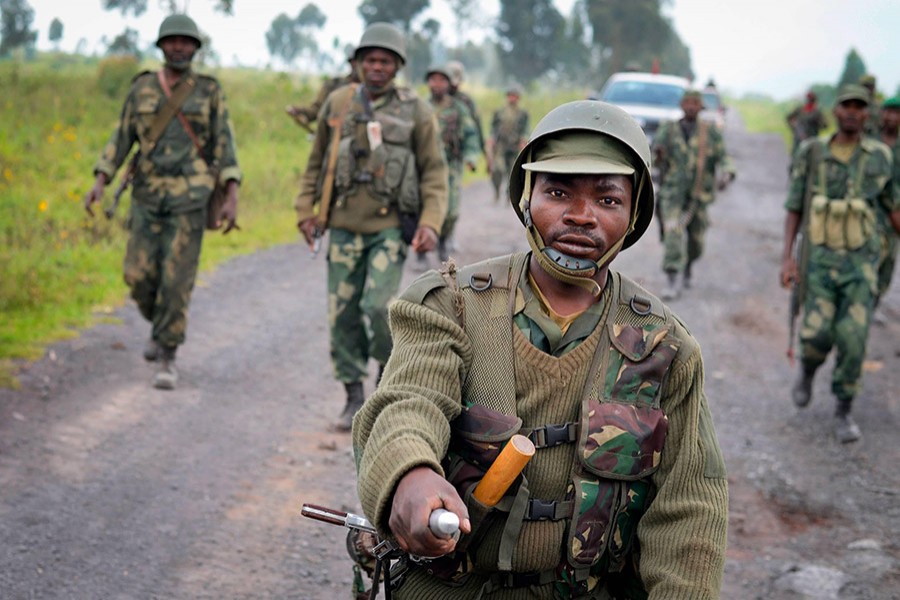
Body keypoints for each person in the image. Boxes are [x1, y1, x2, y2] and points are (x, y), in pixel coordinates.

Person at [352, 100, 729, 599]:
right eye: (557, 192)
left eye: (608, 199)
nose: (581, 217)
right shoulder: (451, 305)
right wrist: (411, 472)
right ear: (526, 198)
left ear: (634, 213)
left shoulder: (666, 346)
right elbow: (409, 402)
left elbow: (689, 511)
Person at [294, 22, 448, 431]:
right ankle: (352, 395)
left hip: (388, 227)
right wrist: (305, 209)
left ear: (397, 66)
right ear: (359, 63)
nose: (377, 67)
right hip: (343, 225)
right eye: (370, 60)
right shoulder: (338, 102)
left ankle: (383, 380)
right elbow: (316, 161)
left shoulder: (416, 111)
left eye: (386, 61)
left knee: (380, 307)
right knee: (341, 313)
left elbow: (434, 172)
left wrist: (430, 223)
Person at [83, 14, 241, 390]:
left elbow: (225, 143)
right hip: (147, 195)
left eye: (186, 42)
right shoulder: (142, 88)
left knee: (177, 279)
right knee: (137, 275)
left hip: (191, 197)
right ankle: (160, 324)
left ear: (196, 48)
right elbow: (122, 136)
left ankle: (168, 353)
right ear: (161, 46)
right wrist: (101, 179)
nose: (179, 47)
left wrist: (231, 194)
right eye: (173, 41)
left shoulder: (209, 90)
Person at [780, 84, 899, 443]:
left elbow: (892, 206)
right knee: (817, 335)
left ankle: (844, 408)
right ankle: (808, 369)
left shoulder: (880, 157)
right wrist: (788, 258)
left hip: (861, 266)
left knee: (853, 339)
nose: (852, 112)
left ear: (867, 114)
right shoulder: (813, 152)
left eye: (859, 106)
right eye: (846, 105)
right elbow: (795, 206)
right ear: (836, 111)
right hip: (819, 263)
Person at [653, 89, 734, 300]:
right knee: (673, 233)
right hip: (672, 193)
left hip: (699, 196)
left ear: (701, 106)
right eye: (687, 102)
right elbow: (654, 158)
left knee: (696, 242)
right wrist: (658, 156)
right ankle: (672, 278)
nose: (690, 106)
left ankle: (688, 265)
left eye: (694, 103)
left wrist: (726, 174)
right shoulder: (669, 129)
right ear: (681, 105)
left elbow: (723, 157)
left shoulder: (710, 131)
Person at [419, 64, 479, 264]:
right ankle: (421, 249)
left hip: (450, 167)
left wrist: (471, 157)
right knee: (422, 206)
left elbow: (470, 134)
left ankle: (443, 241)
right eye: (433, 79)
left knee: (451, 210)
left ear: (448, 83)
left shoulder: (458, 108)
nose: (437, 84)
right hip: (424, 166)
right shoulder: (421, 107)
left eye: (442, 80)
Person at [285, 50, 360, 131]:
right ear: (351, 63)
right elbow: (317, 110)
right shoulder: (333, 85)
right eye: (355, 61)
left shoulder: (369, 91)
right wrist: (300, 112)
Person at [875, 96, 900, 309]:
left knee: (884, 273)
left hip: (893, 221)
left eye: (897, 113)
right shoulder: (867, 142)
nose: (892, 117)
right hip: (867, 217)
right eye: (889, 111)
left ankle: (871, 308)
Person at [487, 84, 529, 202]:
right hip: (501, 145)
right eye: (510, 95)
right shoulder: (499, 111)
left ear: (518, 97)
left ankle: (509, 195)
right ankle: (496, 191)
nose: (512, 98)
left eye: (514, 96)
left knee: (512, 172)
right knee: (497, 169)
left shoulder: (522, 113)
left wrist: (523, 139)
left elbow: (525, 129)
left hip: (514, 146)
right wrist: (491, 138)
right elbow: (493, 127)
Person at [446, 60, 488, 166]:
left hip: (457, 151)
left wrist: (482, 151)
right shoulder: (436, 99)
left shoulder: (466, 101)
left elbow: (476, 126)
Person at [786, 90, 828, 156]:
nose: (809, 101)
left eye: (811, 100)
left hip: (811, 139)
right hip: (800, 138)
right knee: (796, 156)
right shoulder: (799, 109)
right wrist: (794, 127)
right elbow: (789, 118)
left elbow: (825, 125)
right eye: (809, 99)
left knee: (811, 157)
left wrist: (818, 123)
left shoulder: (817, 112)